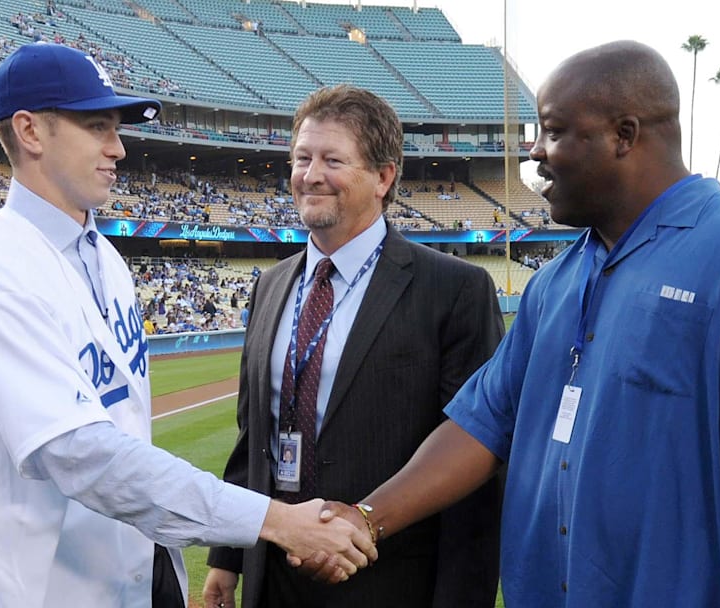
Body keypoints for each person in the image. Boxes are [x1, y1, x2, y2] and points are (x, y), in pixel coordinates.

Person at [307, 41, 720, 607]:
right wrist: (368, 518)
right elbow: (481, 427)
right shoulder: (555, 282)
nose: (535, 151)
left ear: (625, 135)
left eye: (555, 131)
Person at [0, 43, 375, 608]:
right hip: (33, 587)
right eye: (98, 126)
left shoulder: (104, 258)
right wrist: (274, 520)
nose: (118, 148)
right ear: (30, 132)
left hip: (130, 574)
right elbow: (79, 452)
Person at [204, 84, 503, 608]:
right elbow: (253, 437)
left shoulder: (454, 289)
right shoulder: (270, 286)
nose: (310, 174)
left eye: (332, 160)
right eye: (301, 158)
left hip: (389, 581)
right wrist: (228, 558)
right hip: (274, 576)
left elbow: (476, 458)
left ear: (384, 177)